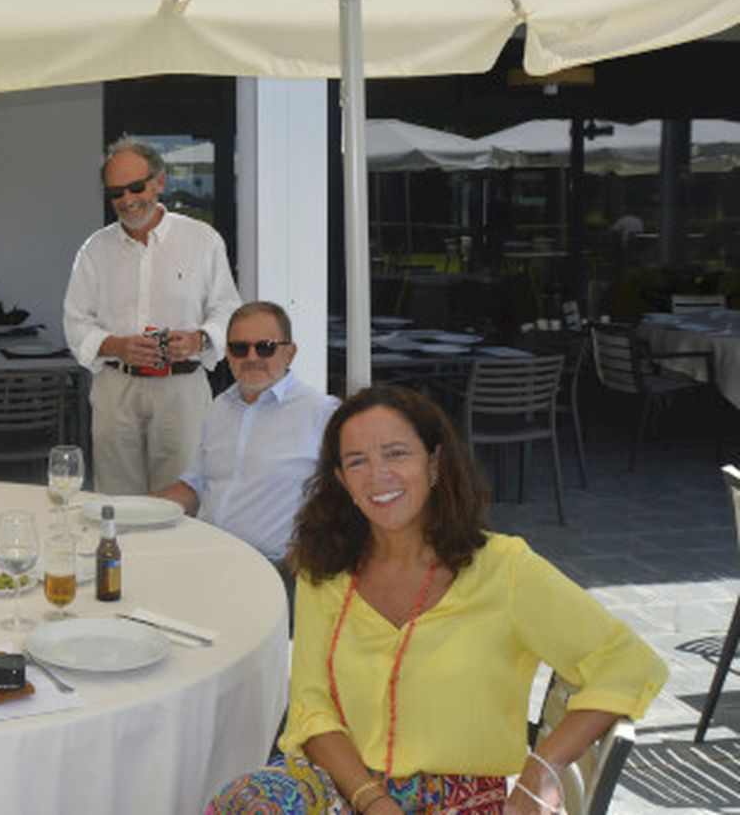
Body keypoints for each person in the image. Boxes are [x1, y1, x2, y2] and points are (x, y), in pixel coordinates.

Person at [208, 387, 667, 815]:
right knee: (245, 800)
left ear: (434, 464)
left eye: (396, 453)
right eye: (357, 461)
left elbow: (627, 663)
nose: (378, 475)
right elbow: (311, 707)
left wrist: (541, 770)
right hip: (345, 782)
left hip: (458, 797)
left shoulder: (505, 570)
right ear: (341, 480)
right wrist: (371, 800)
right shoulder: (324, 569)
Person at [63, 136, 241, 494]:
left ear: (160, 181)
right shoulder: (95, 250)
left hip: (182, 390)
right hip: (116, 388)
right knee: (117, 500)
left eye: (136, 187)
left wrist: (200, 338)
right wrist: (116, 345)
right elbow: (75, 320)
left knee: (182, 497)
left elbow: (227, 309)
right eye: (116, 192)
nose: (127, 200)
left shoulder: (202, 240)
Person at [153, 301, 337, 600]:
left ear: (289, 353)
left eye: (265, 347)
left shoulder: (322, 413)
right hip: (204, 558)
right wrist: (126, 510)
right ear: (227, 354)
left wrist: (316, 546)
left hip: (275, 573)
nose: (252, 358)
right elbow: (194, 487)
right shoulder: (219, 409)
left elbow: (352, 496)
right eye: (240, 348)